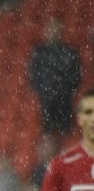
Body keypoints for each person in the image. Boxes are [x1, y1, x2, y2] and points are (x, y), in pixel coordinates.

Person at [28, 18, 82, 148]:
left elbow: (76, 78)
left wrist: (62, 90)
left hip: (65, 101)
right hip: (46, 102)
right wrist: (46, 90)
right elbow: (33, 78)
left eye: (56, 29)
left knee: (68, 135)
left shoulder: (69, 52)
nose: (53, 32)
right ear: (46, 31)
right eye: (51, 29)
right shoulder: (39, 53)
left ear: (61, 30)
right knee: (47, 133)